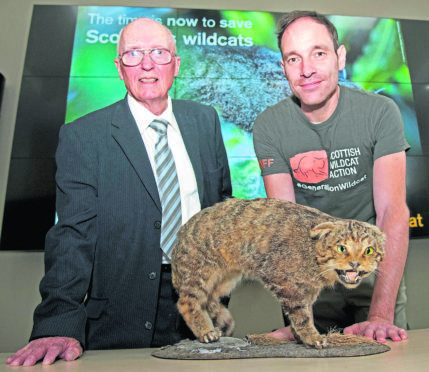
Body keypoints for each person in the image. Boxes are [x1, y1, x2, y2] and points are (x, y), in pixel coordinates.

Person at [7, 18, 232, 366]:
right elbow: (72, 235)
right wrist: (57, 321)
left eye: (158, 52)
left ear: (176, 64)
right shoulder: (84, 135)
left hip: (201, 306)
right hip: (120, 313)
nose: (146, 64)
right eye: (133, 54)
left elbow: (222, 210)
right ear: (118, 67)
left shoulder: (205, 121)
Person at [253, 10, 409, 343]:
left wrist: (381, 314)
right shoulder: (269, 126)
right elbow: (286, 226)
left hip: (375, 275)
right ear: (283, 69)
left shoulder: (380, 112)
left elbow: (393, 211)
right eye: (293, 58)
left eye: (318, 53)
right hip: (314, 282)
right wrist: (300, 320)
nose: (306, 69)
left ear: (340, 58)